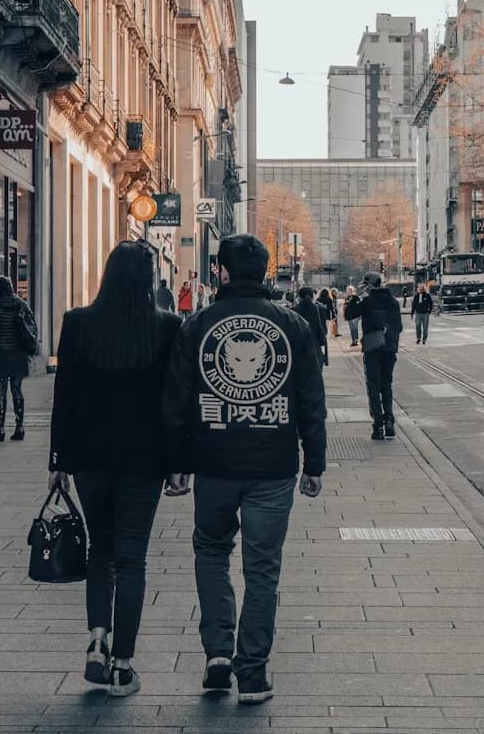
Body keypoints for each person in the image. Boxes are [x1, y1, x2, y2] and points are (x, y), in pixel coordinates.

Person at [161, 234, 326, 704]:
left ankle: (217, 655)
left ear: (223, 272)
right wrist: (314, 460)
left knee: (211, 552)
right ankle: (251, 671)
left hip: (212, 464)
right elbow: (312, 400)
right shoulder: (292, 325)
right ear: (265, 271)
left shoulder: (198, 325)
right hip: (273, 465)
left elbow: (176, 400)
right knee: (263, 569)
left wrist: (177, 462)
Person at [47, 241, 182, 698]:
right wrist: (179, 463)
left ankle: (97, 640)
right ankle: (123, 665)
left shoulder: (78, 323)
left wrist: (57, 461)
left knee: (100, 552)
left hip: (89, 458)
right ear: (148, 281)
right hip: (144, 460)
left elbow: (63, 395)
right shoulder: (166, 328)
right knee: (132, 559)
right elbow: (173, 403)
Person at [346, 272, 403, 440]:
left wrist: (355, 298)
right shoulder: (393, 302)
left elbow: (349, 315)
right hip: (390, 349)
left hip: (372, 348)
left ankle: (378, 425)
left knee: (373, 386)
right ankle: (389, 421)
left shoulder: (367, 302)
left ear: (369, 285)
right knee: (386, 385)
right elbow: (398, 327)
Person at [0, 276, 36, 442]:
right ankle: (20, 427)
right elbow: (31, 325)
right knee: (17, 390)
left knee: (1, 393)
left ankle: (0, 429)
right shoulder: (20, 304)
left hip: (1, 354)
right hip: (18, 353)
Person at [293, 288, 328, 369]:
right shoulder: (319, 309)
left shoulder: (293, 311)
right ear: (312, 297)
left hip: (298, 351)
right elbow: (322, 329)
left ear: (299, 297)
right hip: (315, 349)